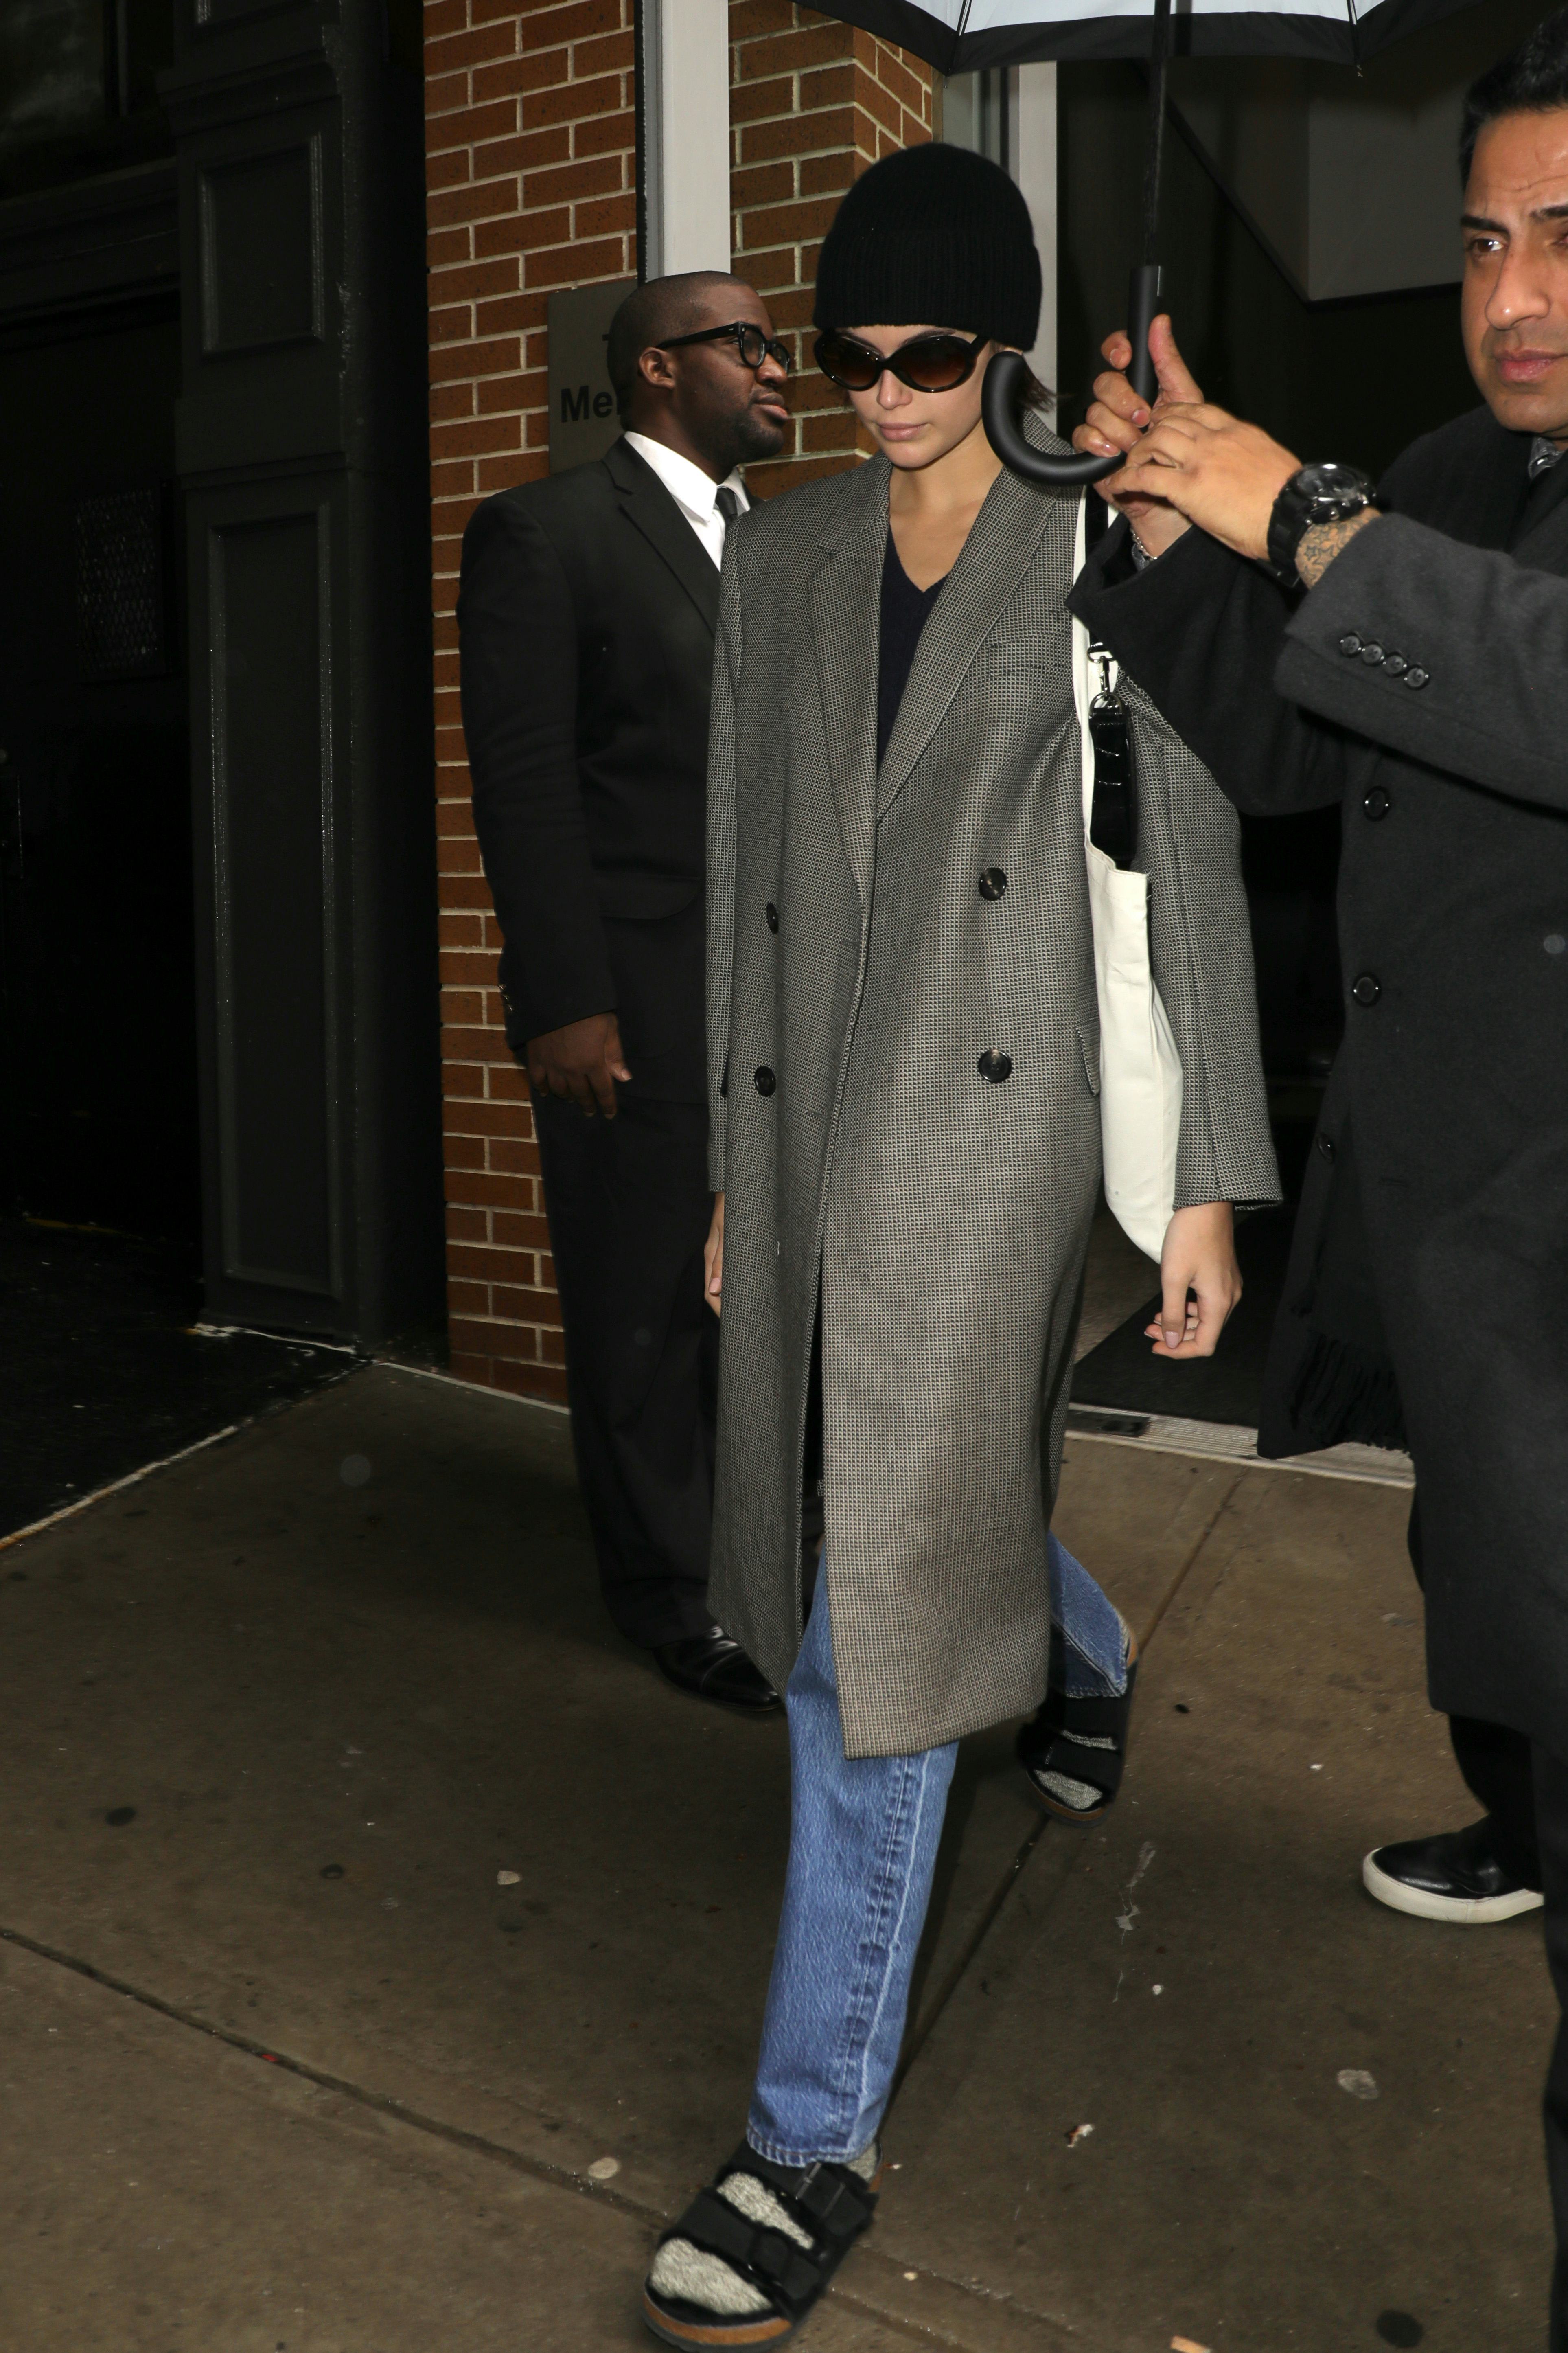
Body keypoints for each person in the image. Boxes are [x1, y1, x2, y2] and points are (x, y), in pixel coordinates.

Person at [640, 143, 1279, 2348]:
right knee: (910, 1511)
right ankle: (1074, 1655)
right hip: (817, 1109)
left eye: (928, 355)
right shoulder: (791, 552)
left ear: (1001, 343)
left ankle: (802, 2134)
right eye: (846, 355)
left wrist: (1201, 1161)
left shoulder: (1100, 534)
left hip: (993, 1127)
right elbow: (745, 879)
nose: (884, 393)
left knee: (870, 1623)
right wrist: (733, 1159)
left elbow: (1172, 842)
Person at [1068, 10, 1568, 2335]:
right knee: (1497, 1624)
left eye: (1565, 236)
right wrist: (1170, 539)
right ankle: (1517, 1806)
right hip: (1459, 1242)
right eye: (1477, 237)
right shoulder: (1458, 480)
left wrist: (1305, 512)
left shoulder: (1398, 507)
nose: (1509, 292)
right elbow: (1285, 737)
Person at [458, 273, 791, 1713]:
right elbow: (525, 785)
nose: (781, 366)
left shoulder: (771, 548)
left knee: (751, 1298)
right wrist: (563, 1004)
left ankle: (753, 1548)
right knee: (644, 1299)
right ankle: (668, 1594)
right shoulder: (547, 533)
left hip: (769, 1002)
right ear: (660, 369)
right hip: (633, 1007)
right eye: (749, 344)